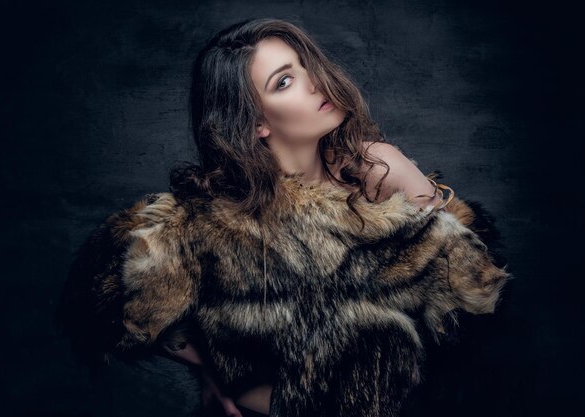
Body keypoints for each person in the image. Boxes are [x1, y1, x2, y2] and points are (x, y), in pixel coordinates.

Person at [159, 18, 454, 417]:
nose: (313, 81)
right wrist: (211, 373)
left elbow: (463, 277)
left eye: (303, 65)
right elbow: (122, 310)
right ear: (256, 123)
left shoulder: (376, 168)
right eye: (283, 81)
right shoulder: (219, 218)